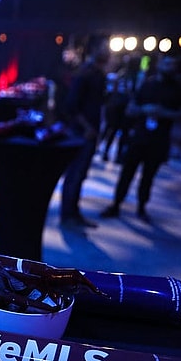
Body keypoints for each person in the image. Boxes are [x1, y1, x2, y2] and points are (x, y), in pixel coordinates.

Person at [100, 54, 181, 222]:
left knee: (149, 175)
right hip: (140, 135)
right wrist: (144, 110)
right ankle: (116, 203)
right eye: (166, 62)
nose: (169, 66)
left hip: (159, 138)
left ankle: (141, 206)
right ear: (160, 64)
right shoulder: (148, 84)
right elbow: (132, 107)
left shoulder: (179, 89)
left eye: (172, 63)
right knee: (127, 171)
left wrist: (165, 113)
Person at [60, 40, 110, 228]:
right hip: (81, 132)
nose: (108, 51)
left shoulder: (98, 73)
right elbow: (71, 106)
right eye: (104, 47)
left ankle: (73, 213)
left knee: (80, 174)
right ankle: (68, 216)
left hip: (89, 131)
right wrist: (87, 127)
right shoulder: (85, 73)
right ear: (95, 49)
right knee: (75, 173)